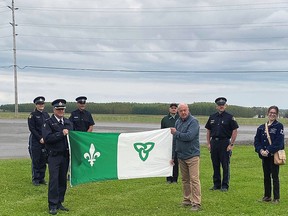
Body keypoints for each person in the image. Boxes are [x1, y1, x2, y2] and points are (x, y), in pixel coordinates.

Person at [42, 99, 73, 215]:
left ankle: (60, 202)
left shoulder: (68, 122)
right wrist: (61, 133)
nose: (61, 111)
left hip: (65, 156)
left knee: (62, 180)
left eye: (62, 109)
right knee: (54, 180)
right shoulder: (48, 123)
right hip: (54, 156)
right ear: (54, 110)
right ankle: (52, 205)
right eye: (58, 109)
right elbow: (47, 138)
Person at [170, 103, 201, 211]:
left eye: (185, 110)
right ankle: (187, 200)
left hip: (192, 155)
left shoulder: (194, 122)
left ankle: (196, 203)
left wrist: (176, 133)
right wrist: (173, 155)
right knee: (184, 179)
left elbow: (189, 136)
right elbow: (175, 140)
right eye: (181, 111)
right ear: (178, 112)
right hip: (181, 155)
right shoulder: (178, 122)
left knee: (194, 179)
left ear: (188, 110)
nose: (183, 113)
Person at [205, 97, 239, 192]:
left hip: (224, 143)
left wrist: (231, 144)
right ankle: (216, 184)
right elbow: (208, 130)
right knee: (215, 164)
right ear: (217, 107)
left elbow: (235, 130)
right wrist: (208, 143)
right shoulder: (212, 117)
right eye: (219, 105)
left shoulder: (230, 117)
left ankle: (225, 185)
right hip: (214, 142)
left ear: (225, 106)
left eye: (223, 105)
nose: (221, 107)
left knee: (225, 165)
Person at [254, 105, 284, 203]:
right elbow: (256, 141)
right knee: (266, 176)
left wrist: (268, 151)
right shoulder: (261, 127)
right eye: (270, 112)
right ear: (268, 113)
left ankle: (276, 198)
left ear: (277, 115)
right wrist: (260, 150)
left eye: (274, 113)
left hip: (273, 156)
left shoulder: (279, 126)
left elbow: (279, 142)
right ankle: (267, 196)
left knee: (275, 177)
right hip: (264, 156)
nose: (272, 114)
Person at [28, 96, 50, 186]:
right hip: (36, 141)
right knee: (36, 160)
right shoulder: (32, 115)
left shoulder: (46, 115)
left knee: (43, 159)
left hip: (45, 141)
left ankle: (42, 178)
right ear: (36, 105)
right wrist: (40, 138)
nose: (41, 105)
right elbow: (32, 128)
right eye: (39, 104)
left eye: (42, 104)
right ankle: (35, 179)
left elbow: (49, 126)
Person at [161, 103, 179, 184]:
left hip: (177, 142)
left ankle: (175, 179)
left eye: (175, 108)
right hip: (168, 142)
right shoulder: (165, 119)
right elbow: (162, 132)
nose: (173, 109)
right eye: (172, 108)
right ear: (169, 109)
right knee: (168, 160)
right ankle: (168, 178)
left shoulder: (180, 119)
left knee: (175, 161)